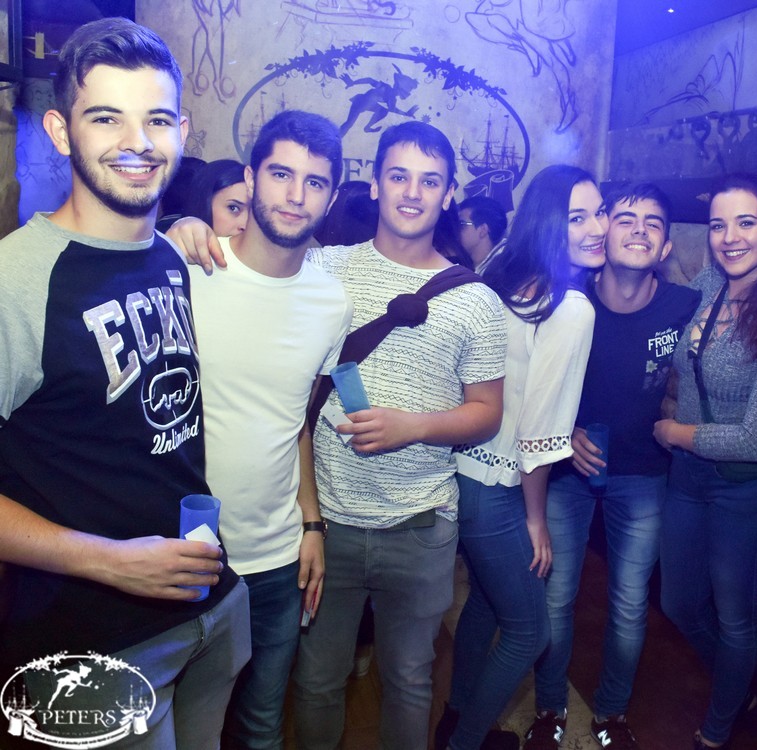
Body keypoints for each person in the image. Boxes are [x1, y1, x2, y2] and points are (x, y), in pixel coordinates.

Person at [0, 17, 249, 748]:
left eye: (157, 119)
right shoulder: (17, 282)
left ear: (181, 132)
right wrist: (107, 562)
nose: (138, 142)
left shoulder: (168, 255)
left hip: (208, 607)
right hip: (90, 640)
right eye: (106, 117)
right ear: (60, 130)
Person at [293, 121, 505, 750]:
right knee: (317, 680)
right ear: (375, 184)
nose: (413, 193)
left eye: (429, 181)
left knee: (410, 681)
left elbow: (487, 412)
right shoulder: (323, 268)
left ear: (448, 194)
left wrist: (415, 427)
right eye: (399, 176)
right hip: (326, 525)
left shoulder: (476, 301)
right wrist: (191, 231)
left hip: (422, 526)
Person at [187, 110, 352, 750]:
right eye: (281, 174)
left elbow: (296, 420)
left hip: (278, 561)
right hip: (186, 555)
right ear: (251, 178)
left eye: (315, 182)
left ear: (330, 199)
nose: (295, 194)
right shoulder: (190, 269)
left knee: (260, 731)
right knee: (182, 729)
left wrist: (312, 524)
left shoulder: (331, 303)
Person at [526, 182, 700, 750]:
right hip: (566, 474)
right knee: (556, 596)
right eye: (625, 218)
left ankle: (611, 715)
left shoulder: (686, 305)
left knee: (629, 604)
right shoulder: (567, 300)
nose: (639, 229)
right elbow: (530, 382)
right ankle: (549, 707)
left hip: (644, 476)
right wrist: (564, 431)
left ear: (666, 246)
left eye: (653, 222)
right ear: (605, 232)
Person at [440, 165, 605, 750]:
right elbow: (539, 435)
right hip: (497, 486)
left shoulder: (505, 277)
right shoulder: (571, 306)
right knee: (530, 631)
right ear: (548, 222)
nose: (596, 228)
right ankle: (463, 741)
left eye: (599, 212)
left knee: (486, 606)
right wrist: (537, 520)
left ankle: (456, 717)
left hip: (463, 471)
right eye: (577, 217)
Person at [651, 173, 757, 750]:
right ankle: (737, 685)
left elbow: (753, 439)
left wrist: (674, 431)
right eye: (718, 225)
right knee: (677, 601)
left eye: (746, 222)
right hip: (689, 478)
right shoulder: (708, 283)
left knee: (735, 615)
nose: (729, 237)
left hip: (748, 490)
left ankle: (721, 726)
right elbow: (667, 331)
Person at [183, 157, 249, 237]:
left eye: (251, 216)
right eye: (233, 208)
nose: (244, 226)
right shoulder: (172, 239)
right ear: (204, 202)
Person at [459, 194, 509, 270]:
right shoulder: (481, 267)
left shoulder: (501, 271)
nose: (455, 230)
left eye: (461, 224)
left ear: (483, 230)